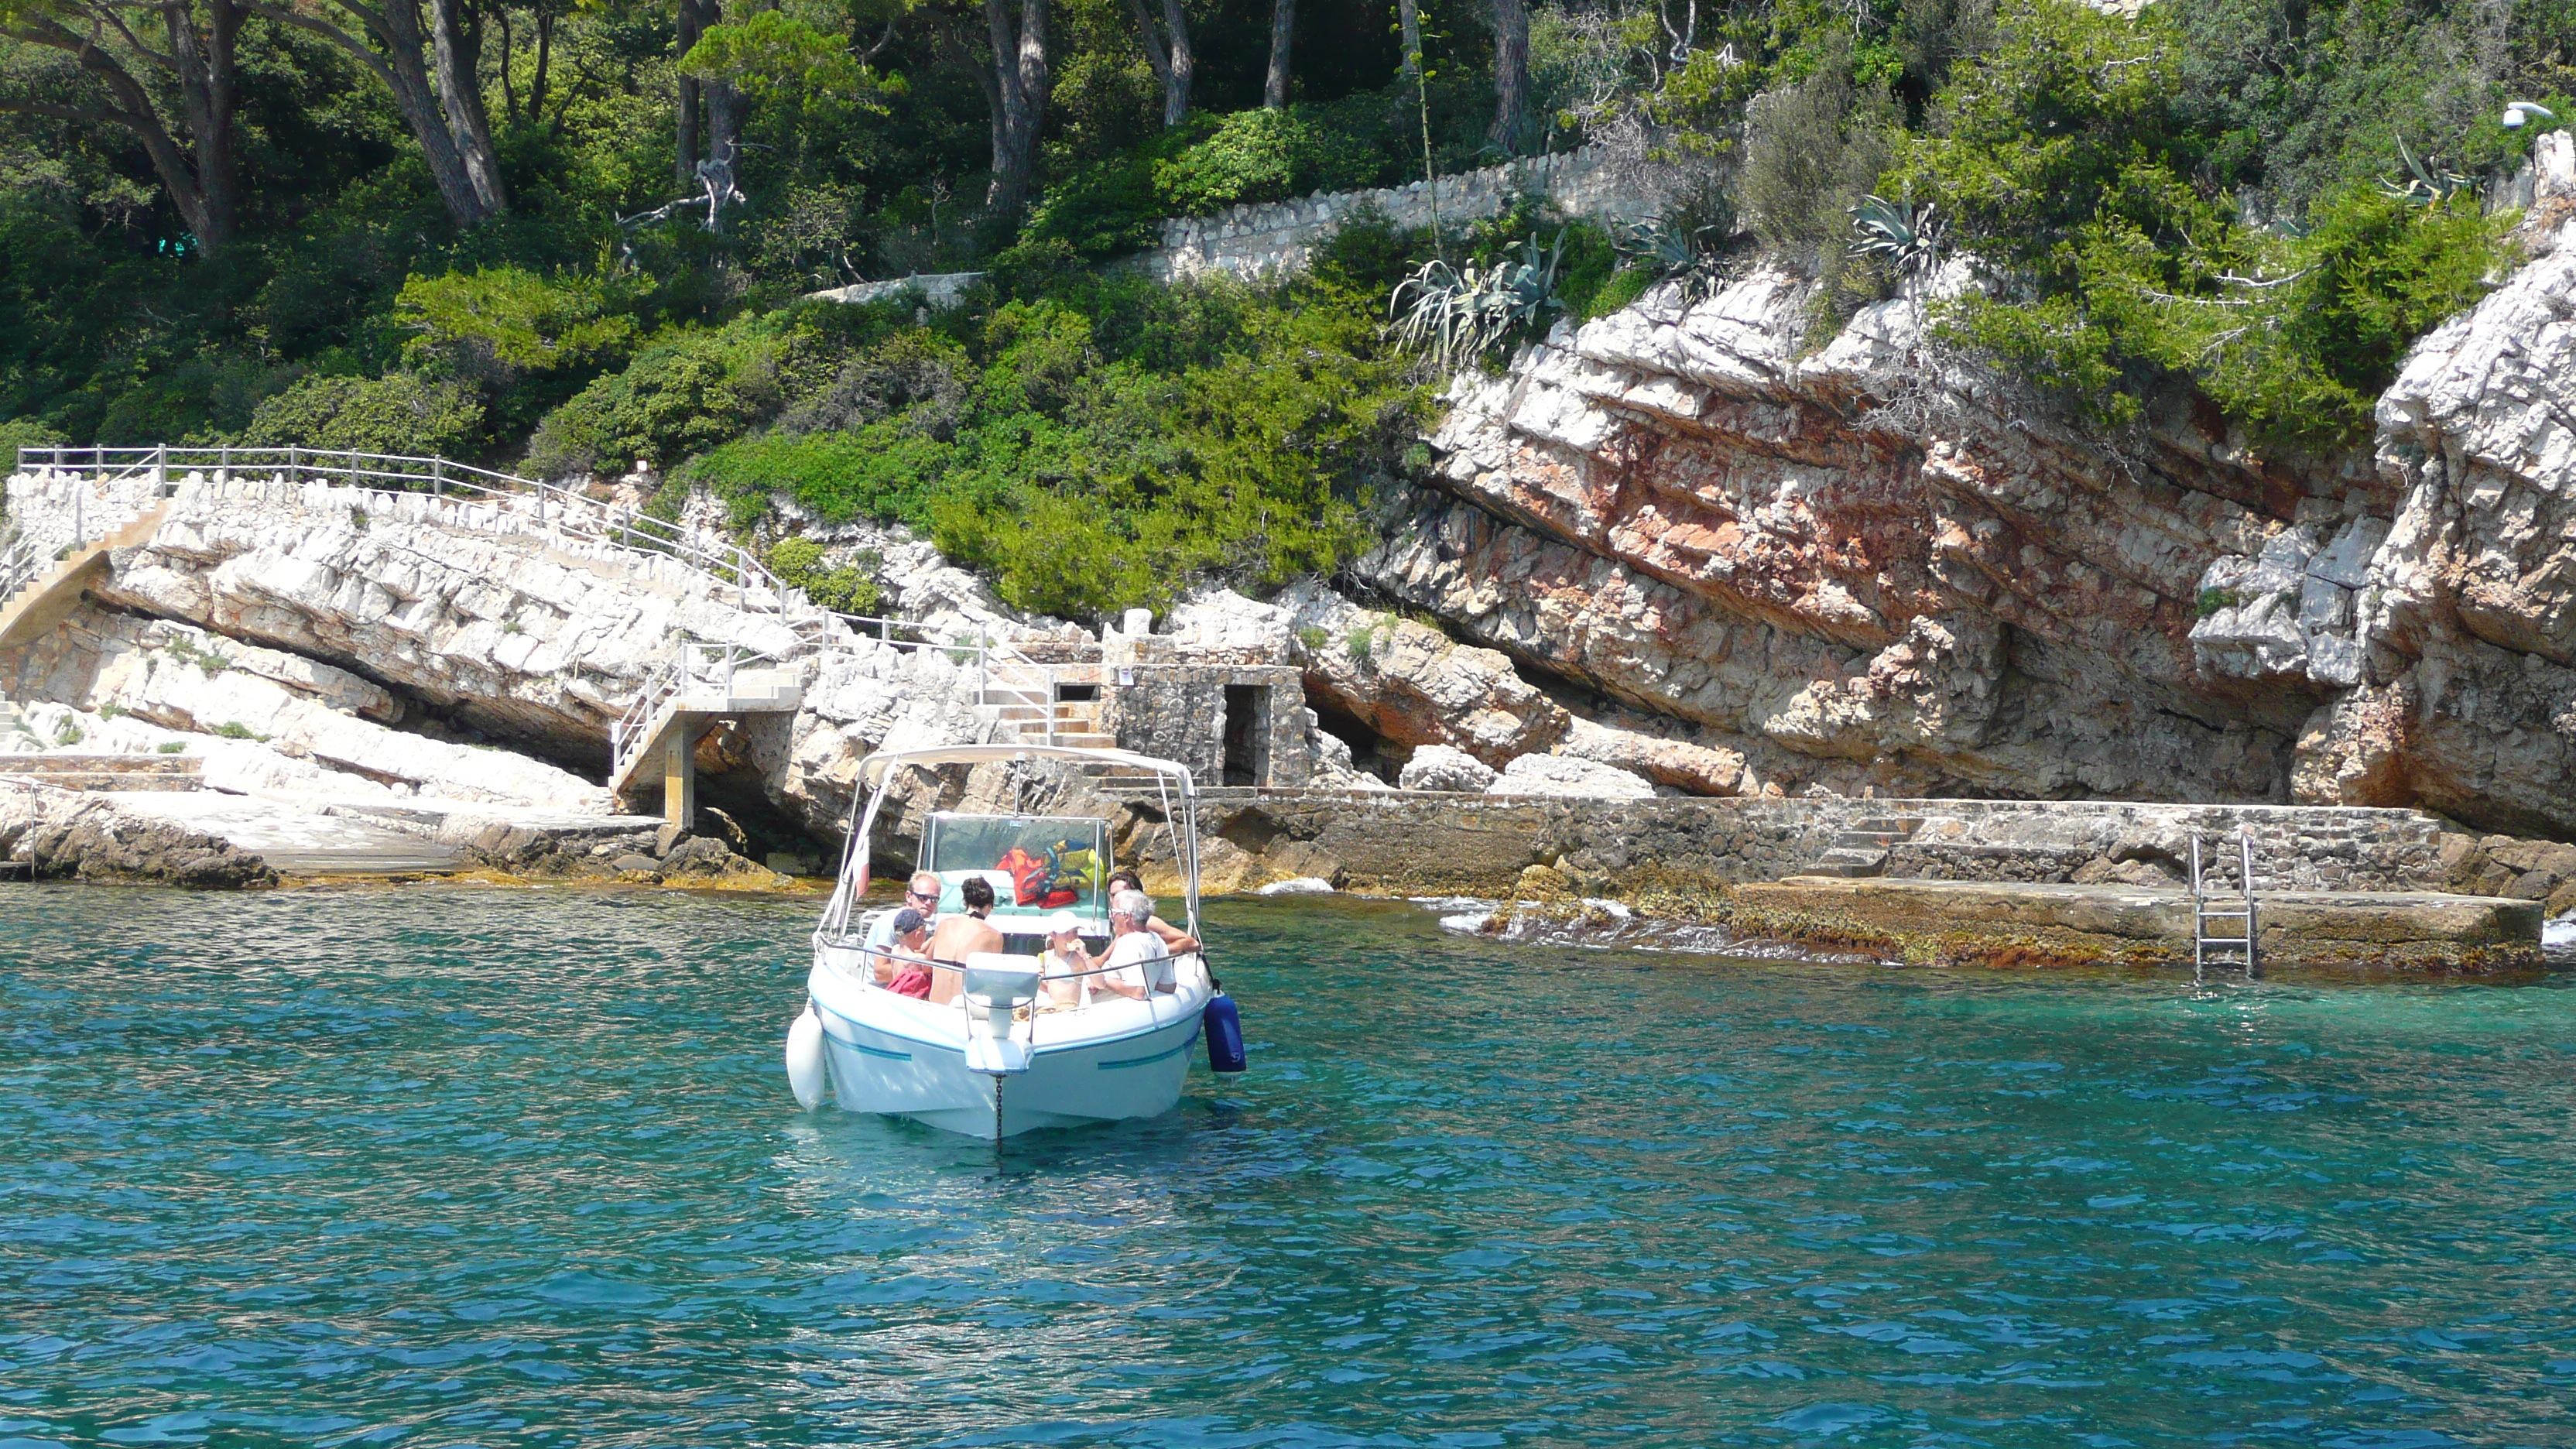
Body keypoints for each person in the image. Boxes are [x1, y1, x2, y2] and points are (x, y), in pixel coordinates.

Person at [924, 874, 1006, 1004]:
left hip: (935, 1006)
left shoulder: (944, 925)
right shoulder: (994, 936)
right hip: (966, 1010)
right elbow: (993, 981)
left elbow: (926, 967)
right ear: (989, 907)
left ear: (964, 902)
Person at [1090, 890, 1174, 1001]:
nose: (1111, 916)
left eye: (1114, 911)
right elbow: (1168, 986)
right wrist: (1149, 982)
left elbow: (1138, 991)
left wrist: (1102, 980)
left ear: (1127, 916)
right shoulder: (1157, 939)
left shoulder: (1128, 943)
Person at [1103, 869, 1201, 956]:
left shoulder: (1147, 922)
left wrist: (1155, 952)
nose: (1116, 899)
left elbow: (1192, 943)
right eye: (1113, 895)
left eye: (1122, 894)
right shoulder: (1119, 924)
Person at [865, 871, 940, 961]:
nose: (929, 903)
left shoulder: (922, 923)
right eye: (923, 898)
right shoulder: (892, 922)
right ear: (909, 896)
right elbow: (880, 971)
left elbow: (909, 952)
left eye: (934, 899)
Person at [1037, 910, 1089, 1010]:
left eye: (1075, 932)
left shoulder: (1078, 959)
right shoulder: (1047, 956)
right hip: (1052, 1011)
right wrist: (1036, 981)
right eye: (1066, 933)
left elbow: (1100, 983)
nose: (1072, 937)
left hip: (1071, 1012)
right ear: (1053, 936)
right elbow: (1050, 987)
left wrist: (1085, 956)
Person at [880, 908, 934, 999]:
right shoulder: (920, 960)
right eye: (925, 932)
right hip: (913, 998)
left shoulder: (895, 950)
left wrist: (932, 940)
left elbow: (914, 951)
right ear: (918, 934)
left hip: (898, 993)